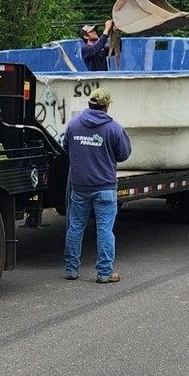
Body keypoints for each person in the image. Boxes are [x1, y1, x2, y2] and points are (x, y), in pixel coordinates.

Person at [63, 86, 132, 284]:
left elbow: (66, 147)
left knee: (75, 227)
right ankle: (104, 273)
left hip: (80, 187)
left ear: (89, 104)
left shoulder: (74, 125)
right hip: (105, 187)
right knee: (104, 230)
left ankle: (71, 269)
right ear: (106, 106)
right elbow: (124, 154)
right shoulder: (114, 128)